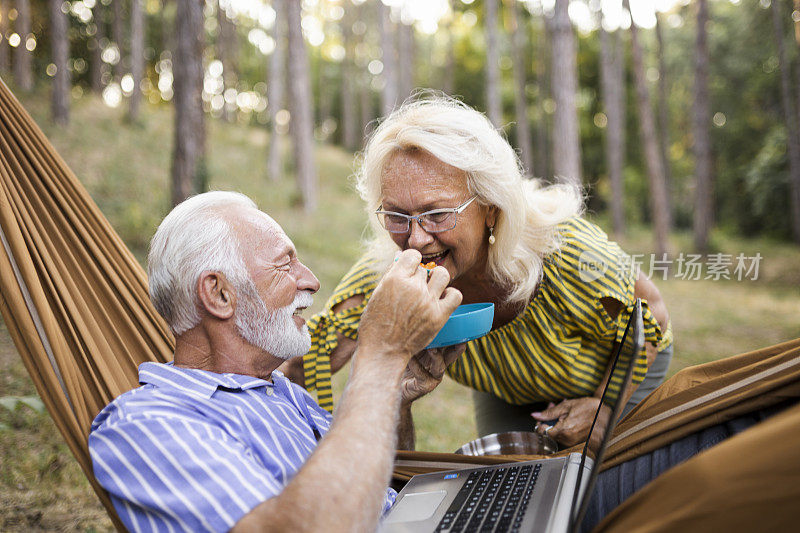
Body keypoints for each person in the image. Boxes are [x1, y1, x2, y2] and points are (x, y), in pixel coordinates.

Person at [287, 94, 673, 448]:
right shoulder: (389, 277)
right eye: (397, 215)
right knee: (508, 487)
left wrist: (605, 407)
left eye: (437, 214)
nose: (416, 239)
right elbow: (311, 356)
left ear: (491, 207)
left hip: (614, 372)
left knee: (605, 485)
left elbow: (650, 312)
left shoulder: (567, 252)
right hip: (506, 386)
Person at [87, 191, 463, 532]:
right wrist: (380, 356)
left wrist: (392, 395)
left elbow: (365, 486)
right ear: (219, 294)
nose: (313, 281)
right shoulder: (150, 425)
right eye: (286, 264)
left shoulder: (281, 392)